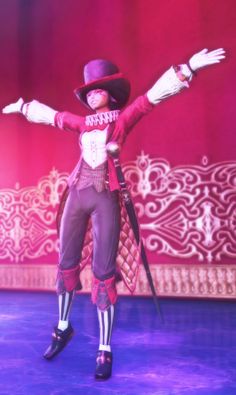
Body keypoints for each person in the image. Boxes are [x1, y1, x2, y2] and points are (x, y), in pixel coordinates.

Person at [2, 48, 225, 380]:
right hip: (77, 194)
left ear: (111, 94)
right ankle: (62, 327)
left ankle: (104, 348)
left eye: (99, 90)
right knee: (66, 261)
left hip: (106, 197)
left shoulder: (121, 119)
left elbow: (150, 99)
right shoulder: (81, 123)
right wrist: (23, 106)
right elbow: (54, 116)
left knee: (103, 272)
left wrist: (189, 67)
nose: (93, 96)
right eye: (89, 91)